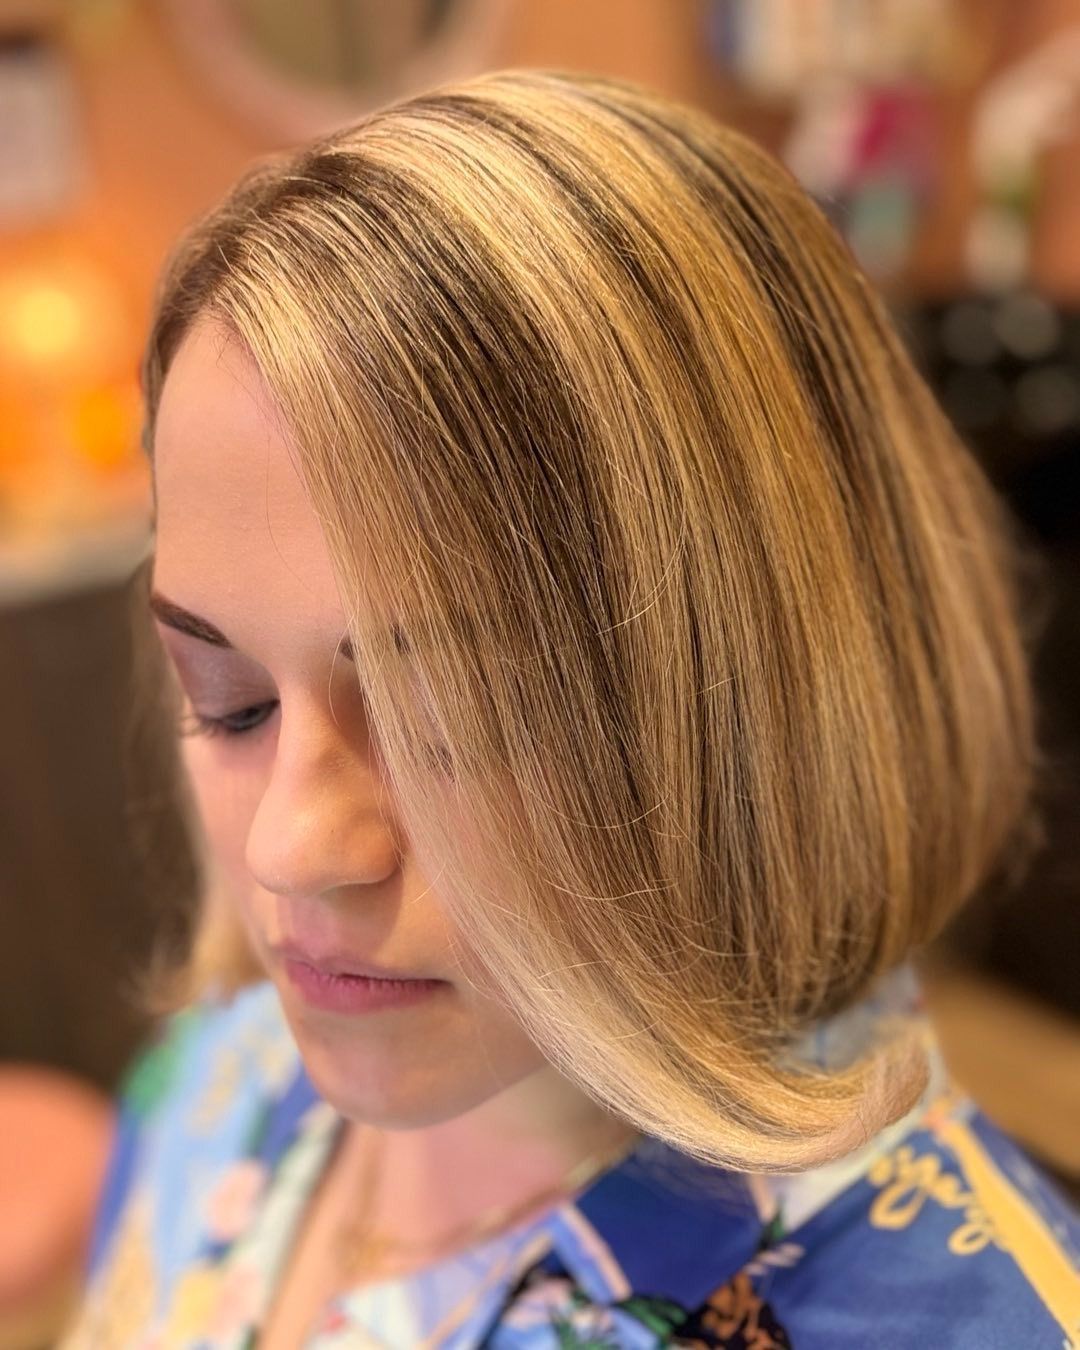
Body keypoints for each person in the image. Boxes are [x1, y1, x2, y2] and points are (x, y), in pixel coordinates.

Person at [61, 68, 1080, 1348]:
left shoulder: (945, 1320)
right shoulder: (220, 1080)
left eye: (459, 719)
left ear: (768, 701)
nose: (288, 849)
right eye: (232, 702)